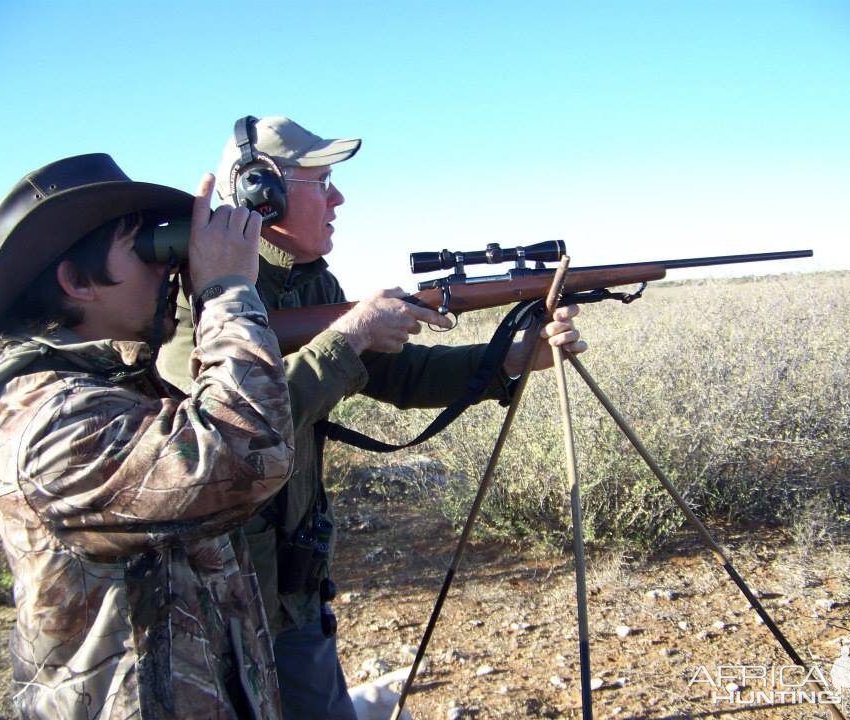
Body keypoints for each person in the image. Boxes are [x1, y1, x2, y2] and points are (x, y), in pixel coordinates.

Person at [157, 117, 586, 719]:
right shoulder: (191, 295)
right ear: (262, 190)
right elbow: (230, 434)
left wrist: (514, 358)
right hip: (220, 598)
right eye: (322, 181)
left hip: (292, 585)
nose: (338, 198)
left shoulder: (312, 285)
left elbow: (400, 375)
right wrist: (351, 335)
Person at [0, 154, 295, 719]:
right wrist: (226, 289)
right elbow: (248, 452)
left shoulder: (113, 388)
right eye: (147, 250)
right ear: (76, 281)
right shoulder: (49, 421)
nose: (169, 269)